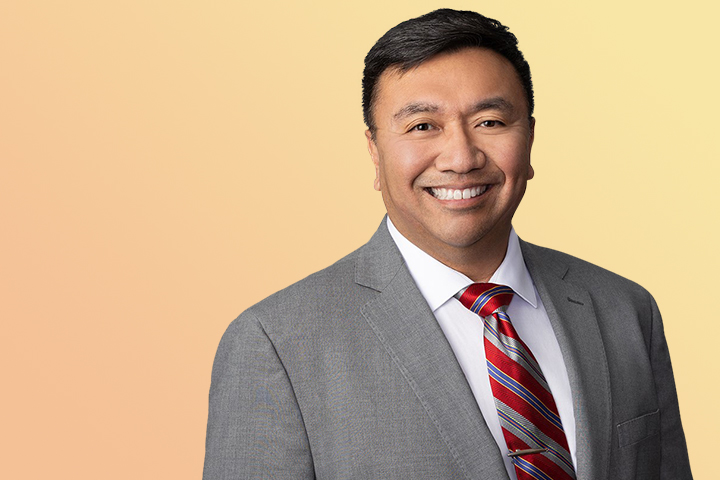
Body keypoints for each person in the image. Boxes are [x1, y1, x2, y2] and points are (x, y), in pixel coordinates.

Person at [203, 9, 692, 480]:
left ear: (529, 138)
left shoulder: (625, 310)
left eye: (490, 122)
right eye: (422, 126)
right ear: (374, 150)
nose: (461, 157)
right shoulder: (275, 344)